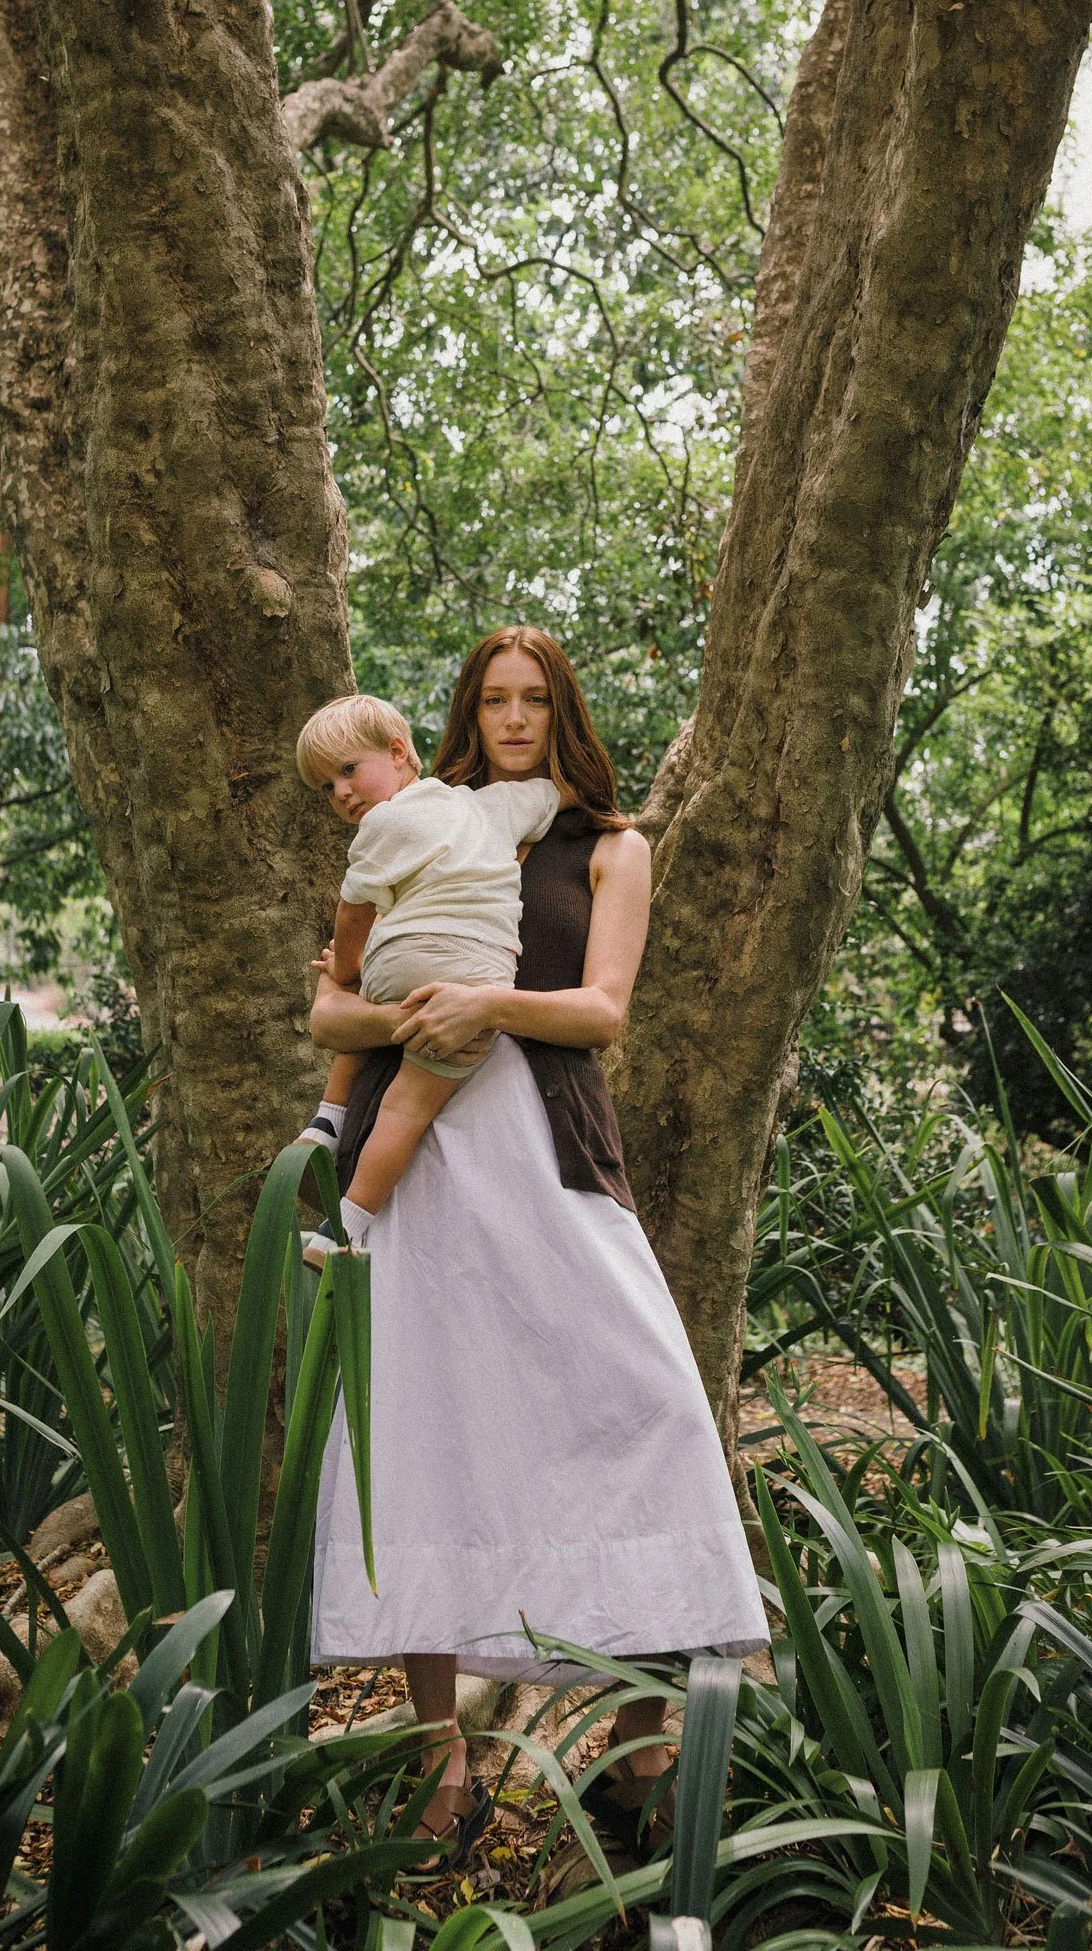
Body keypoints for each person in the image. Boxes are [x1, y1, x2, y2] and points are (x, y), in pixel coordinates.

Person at [309, 627, 768, 1870]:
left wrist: (489, 1003)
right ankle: (438, 1764)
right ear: (463, 713)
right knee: (420, 1426)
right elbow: (336, 1004)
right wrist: (399, 1018)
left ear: (564, 709)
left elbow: (604, 1012)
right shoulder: (422, 821)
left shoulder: (615, 848)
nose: (513, 717)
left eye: (534, 698)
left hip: (551, 1150)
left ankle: (641, 1744)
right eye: (493, 699)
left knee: (654, 1406)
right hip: (420, 1164)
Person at [292, 693, 559, 1236]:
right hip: (479, 970)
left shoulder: (382, 824)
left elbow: (353, 910)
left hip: (405, 957)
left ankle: (328, 1120)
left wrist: (344, 971)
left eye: (347, 772)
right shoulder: (487, 807)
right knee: (406, 1109)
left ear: (397, 752)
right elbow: (548, 795)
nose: (341, 793)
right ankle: (344, 1227)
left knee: (371, 984)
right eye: (327, 787)